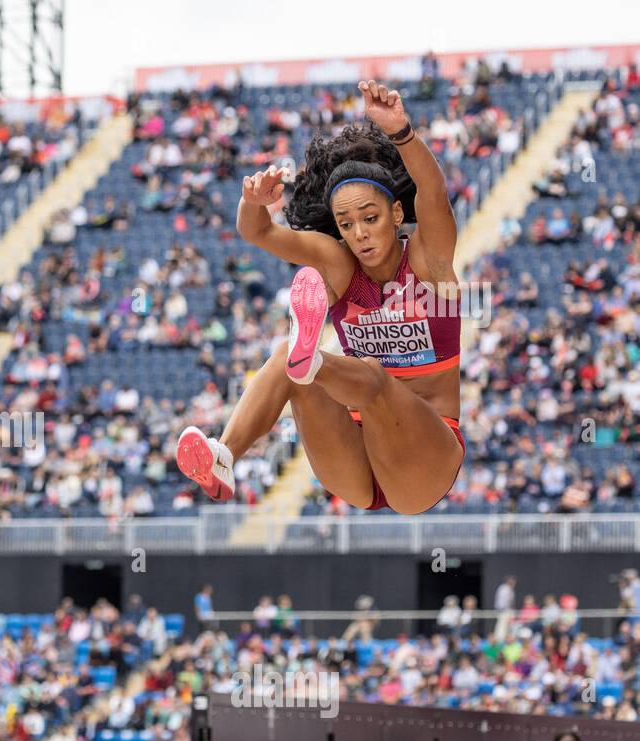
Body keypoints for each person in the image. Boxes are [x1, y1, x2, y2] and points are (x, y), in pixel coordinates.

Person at [177, 81, 464, 515]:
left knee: (370, 375)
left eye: (370, 218)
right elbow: (257, 232)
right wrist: (253, 202)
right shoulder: (340, 265)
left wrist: (401, 131)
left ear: (396, 214)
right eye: (346, 224)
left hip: (426, 460)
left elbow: (434, 192)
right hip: (356, 462)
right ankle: (224, 456)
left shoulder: (429, 264)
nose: (360, 233)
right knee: (285, 356)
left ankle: (310, 362)